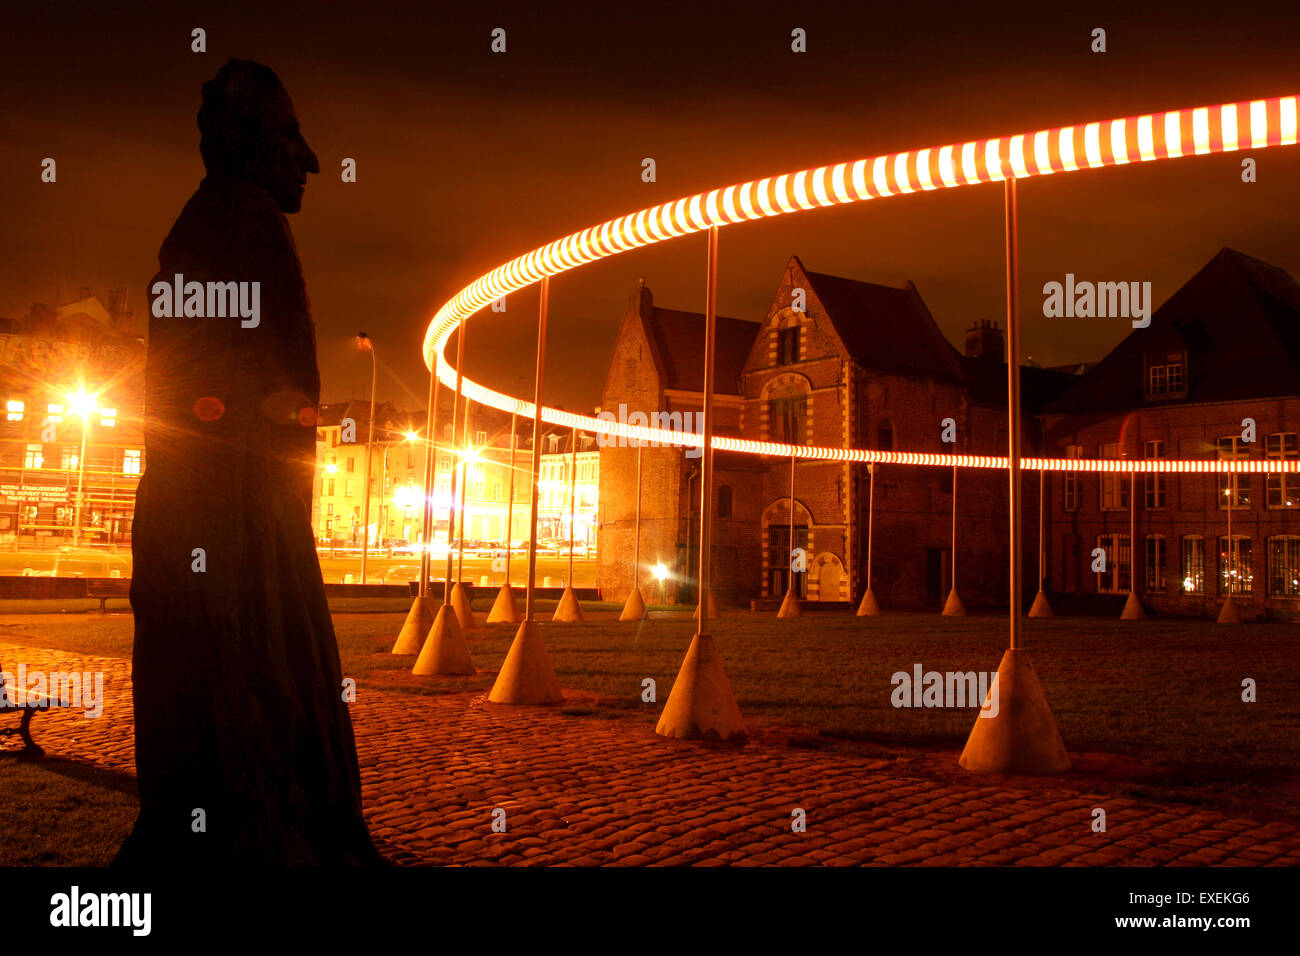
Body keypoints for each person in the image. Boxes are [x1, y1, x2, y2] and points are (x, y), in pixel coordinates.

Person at [117, 59, 383, 866]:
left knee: (212, 691)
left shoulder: (196, 225)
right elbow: (264, 388)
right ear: (249, 140)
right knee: (262, 685)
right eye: (289, 135)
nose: (306, 159)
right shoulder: (251, 221)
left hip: (206, 514)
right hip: (244, 522)